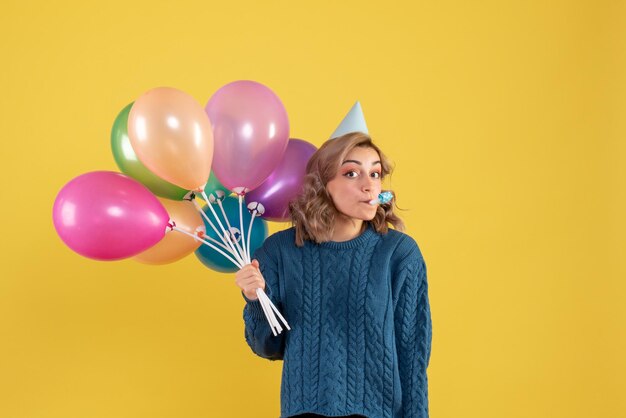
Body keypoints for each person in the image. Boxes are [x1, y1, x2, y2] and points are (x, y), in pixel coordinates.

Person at [235, 132, 432, 418]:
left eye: (375, 174)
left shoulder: (398, 254)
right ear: (323, 185)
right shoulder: (279, 251)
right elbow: (268, 346)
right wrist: (254, 298)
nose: (369, 186)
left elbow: (412, 358)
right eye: (352, 173)